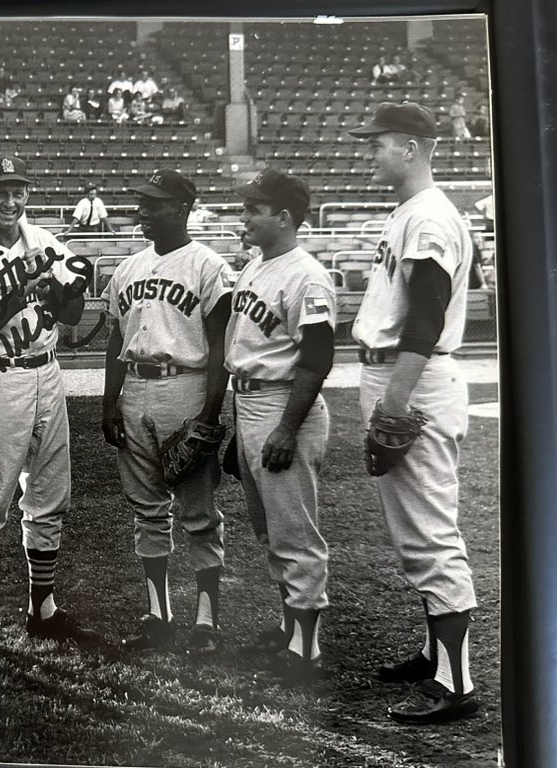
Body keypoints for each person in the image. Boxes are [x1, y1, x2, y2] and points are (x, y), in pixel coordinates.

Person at [348, 101, 479, 724]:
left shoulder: (429, 216)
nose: (369, 152)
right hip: (401, 374)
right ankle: (435, 657)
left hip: (414, 380)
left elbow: (427, 317)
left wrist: (395, 398)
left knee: (430, 534)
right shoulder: (411, 212)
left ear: (411, 147)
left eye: (377, 143)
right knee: (416, 531)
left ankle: (456, 684)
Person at [0, 155, 97, 657]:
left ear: (28, 193)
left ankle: (42, 609)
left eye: (19, 191)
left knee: (50, 493)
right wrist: (21, 290)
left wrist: (61, 289)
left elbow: (72, 314)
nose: (10, 201)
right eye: (0, 192)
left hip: (46, 371)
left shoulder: (48, 242)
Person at [100, 169, 233, 653]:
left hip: (187, 387)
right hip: (136, 389)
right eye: (141, 202)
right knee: (147, 509)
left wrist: (211, 414)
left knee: (199, 510)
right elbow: (116, 337)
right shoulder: (128, 268)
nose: (142, 212)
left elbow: (220, 343)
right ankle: (158, 614)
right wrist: (109, 401)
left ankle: (207, 619)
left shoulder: (208, 266)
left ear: (181, 208)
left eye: (153, 204)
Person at [224, 169, 337, 683]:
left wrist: (286, 429)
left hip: (283, 405)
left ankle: (306, 652)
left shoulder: (307, 275)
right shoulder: (257, 266)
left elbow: (316, 358)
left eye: (255, 209)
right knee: (271, 529)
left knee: (295, 532)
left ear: (285, 217)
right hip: (250, 403)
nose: (245, 217)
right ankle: (293, 630)